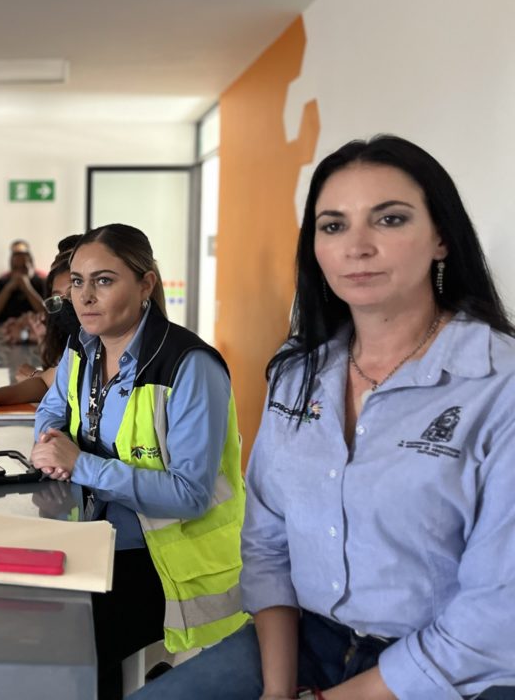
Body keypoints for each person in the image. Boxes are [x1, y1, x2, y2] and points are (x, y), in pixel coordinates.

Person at [132, 136, 515, 700]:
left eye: (389, 219)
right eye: (333, 226)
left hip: (450, 667)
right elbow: (267, 542)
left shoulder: (497, 384)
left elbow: (497, 612)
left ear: (441, 237)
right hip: (305, 640)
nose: (357, 247)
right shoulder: (299, 373)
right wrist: (277, 690)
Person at [33, 223, 247, 700]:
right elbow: (52, 406)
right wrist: (47, 442)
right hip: (97, 541)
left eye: (104, 281)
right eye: (78, 282)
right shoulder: (82, 346)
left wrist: (81, 465)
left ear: (146, 284)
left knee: (58, 642)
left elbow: (190, 495)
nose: (85, 296)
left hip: (167, 563)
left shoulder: (189, 366)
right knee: (20, 607)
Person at [0, 235, 81, 411]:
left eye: (72, 291)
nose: (65, 303)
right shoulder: (3, 282)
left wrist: (35, 371)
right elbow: (51, 378)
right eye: (57, 298)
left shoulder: (94, 339)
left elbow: (55, 381)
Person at [0, 248, 46, 323]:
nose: (19, 272)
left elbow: (45, 312)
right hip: (4, 326)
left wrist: (27, 288)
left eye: (24, 267)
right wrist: (8, 289)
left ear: (32, 266)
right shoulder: (1, 283)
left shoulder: (42, 283)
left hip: (34, 327)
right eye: (15, 268)